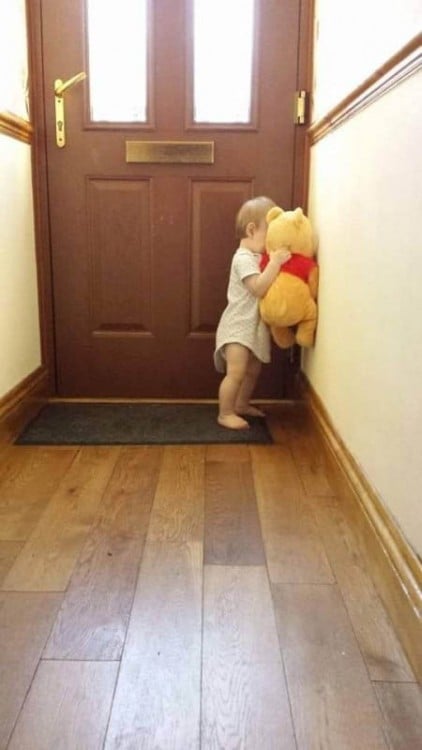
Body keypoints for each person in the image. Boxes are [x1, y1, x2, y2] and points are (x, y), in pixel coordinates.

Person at [214, 196, 292, 430]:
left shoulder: (258, 257)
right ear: (251, 229)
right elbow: (258, 287)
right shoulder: (243, 259)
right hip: (238, 326)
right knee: (236, 372)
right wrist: (275, 263)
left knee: (252, 370)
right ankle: (225, 412)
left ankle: (241, 404)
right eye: (269, 235)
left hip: (253, 326)